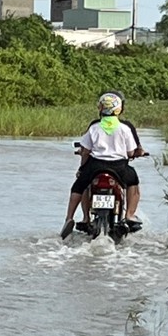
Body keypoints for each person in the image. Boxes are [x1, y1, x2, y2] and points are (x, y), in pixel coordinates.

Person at [60, 92, 144, 239]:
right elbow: (131, 152)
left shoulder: (94, 127)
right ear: (119, 109)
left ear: (100, 108)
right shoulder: (125, 128)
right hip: (119, 167)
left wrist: (82, 168)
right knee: (133, 182)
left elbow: (86, 151)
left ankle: (74, 218)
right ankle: (129, 215)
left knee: (79, 186)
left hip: (95, 166)